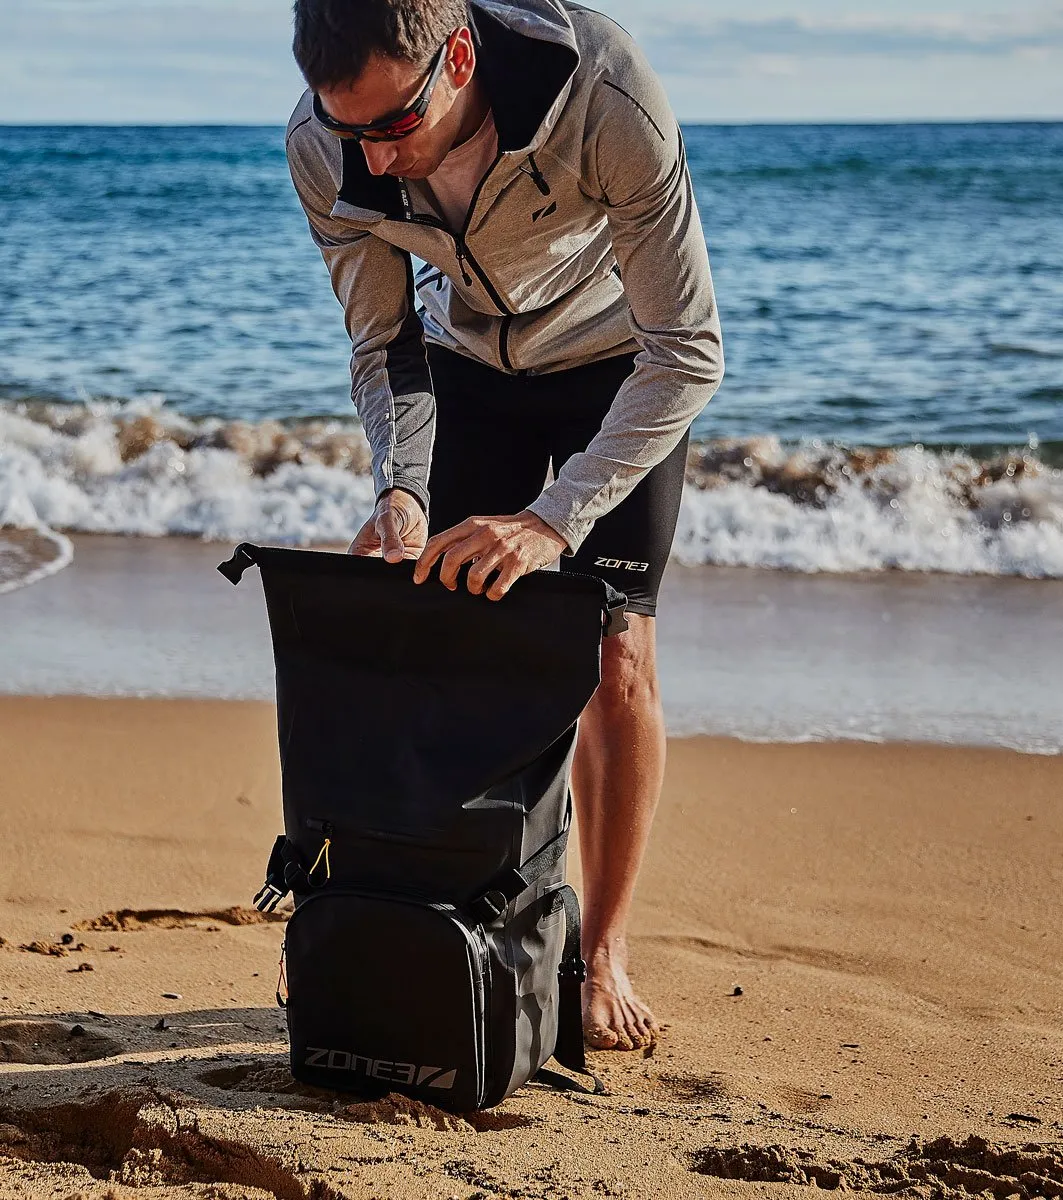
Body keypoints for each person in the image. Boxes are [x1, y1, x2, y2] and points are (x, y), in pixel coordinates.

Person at [286, 0, 723, 1050]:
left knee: (614, 650)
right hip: (466, 366)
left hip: (620, 366)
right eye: (351, 133)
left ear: (462, 56)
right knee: (451, 620)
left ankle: (604, 949)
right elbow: (385, 341)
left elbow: (688, 351)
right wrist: (400, 487)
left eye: (393, 125)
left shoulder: (606, 95)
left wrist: (551, 521)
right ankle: (468, 923)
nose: (376, 161)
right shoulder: (325, 146)